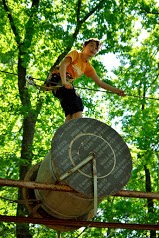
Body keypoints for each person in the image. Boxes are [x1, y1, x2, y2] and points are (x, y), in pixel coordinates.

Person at [46, 38, 125, 121]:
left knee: (70, 112)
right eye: (91, 45)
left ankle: (68, 131)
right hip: (59, 79)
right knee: (78, 106)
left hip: (65, 87)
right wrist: (64, 81)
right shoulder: (76, 54)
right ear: (84, 46)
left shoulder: (88, 67)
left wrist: (116, 90)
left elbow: (100, 83)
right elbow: (63, 64)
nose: (93, 49)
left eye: (96, 48)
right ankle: (77, 128)